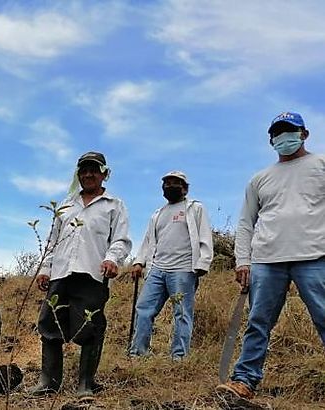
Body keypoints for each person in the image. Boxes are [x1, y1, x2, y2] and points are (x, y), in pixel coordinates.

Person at [218, 112, 325, 400]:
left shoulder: (321, 165)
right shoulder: (259, 179)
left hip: (314, 256)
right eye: (278, 132)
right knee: (258, 322)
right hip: (266, 260)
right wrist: (243, 260)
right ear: (271, 140)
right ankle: (244, 381)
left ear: (304, 133)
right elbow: (245, 222)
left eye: (289, 131)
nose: (283, 137)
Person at [29, 152, 131, 400]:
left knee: (91, 326)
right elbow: (53, 240)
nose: (88, 175)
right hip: (61, 273)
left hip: (92, 274)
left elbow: (120, 239)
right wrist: (45, 269)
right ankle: (49, 381)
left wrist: (112, 259)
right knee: (49, 323)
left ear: (104, 173)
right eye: (83, 170)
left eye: (93, 170)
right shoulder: (66, 205)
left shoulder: (114, 205)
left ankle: (85, 383)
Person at [129, 171, 213, 360]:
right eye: (166, 183)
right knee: (143, 309)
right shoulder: (157, 214)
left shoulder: (194, 208)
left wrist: (203, 262)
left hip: (183, 269)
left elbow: (205, 235)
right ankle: (137, 353)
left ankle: (179, 356)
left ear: (185, 188)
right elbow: (148, 240)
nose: (170, 186)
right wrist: (138, 262)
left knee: (182, 313)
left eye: (175, 183)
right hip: (157, 269)